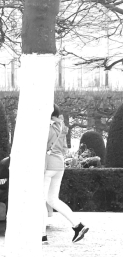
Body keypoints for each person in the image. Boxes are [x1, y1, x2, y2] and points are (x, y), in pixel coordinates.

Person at [45, 105, 89, 244]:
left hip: (48, 166)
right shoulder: (62, 128)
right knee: (52, 200)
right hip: (59, 164)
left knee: (41, 201)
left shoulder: (47, 127)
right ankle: (78, 225)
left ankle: (41, 236)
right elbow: (63, 148)